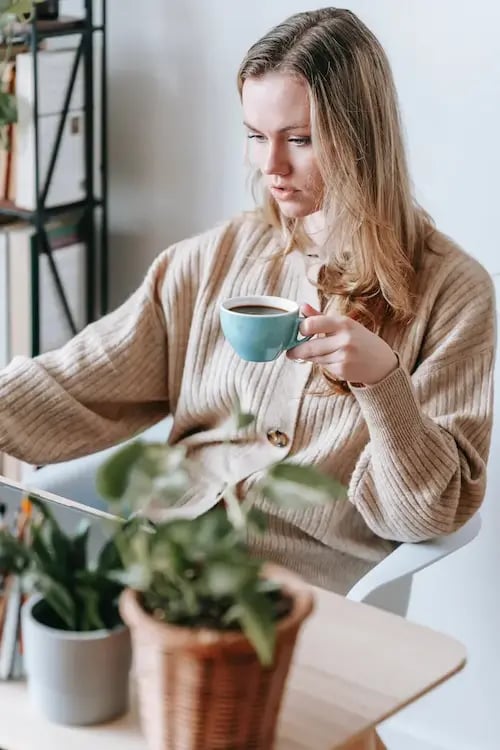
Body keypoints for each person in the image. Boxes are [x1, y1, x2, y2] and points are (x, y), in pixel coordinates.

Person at [0, 7, 495, 594]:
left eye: (300, 139)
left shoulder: (455, 294)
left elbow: (427, 514)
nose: (271, 166)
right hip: (160, 565)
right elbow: (76, 383)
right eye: (256, 136)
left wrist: (383, 382)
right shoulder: (216, 258)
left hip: (301, 600)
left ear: (363, 137)